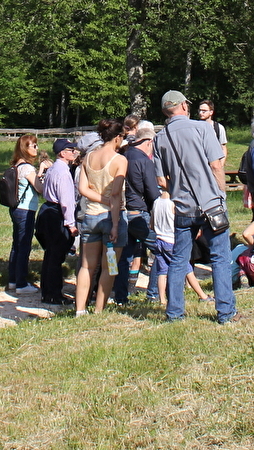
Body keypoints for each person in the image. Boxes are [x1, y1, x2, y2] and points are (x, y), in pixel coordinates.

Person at [155, 90, 239, 324]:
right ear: (183, 106)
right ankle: (225, 312)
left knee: (179, 260)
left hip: (182, 206)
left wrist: (179, 191)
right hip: (210, 203)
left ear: (165, 111)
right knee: (220, 257)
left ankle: (174, 313)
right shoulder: (202, 129)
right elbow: (216, 165)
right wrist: (220, 195)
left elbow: (161, 180)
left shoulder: (160, 138)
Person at [74, 119, 127, 315]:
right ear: (118, 137)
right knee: (109, 266)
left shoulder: (88, 158)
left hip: (90, 216)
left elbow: (82, 188)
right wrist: (114, 223)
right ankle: (99, 309)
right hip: (112, 217)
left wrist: (101, 200)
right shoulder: (119, 160)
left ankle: (80, 309)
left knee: (87, 266)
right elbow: (115, 193)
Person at [114, 120, 161, 305]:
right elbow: (152, 192)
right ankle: (154, 292)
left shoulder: (124, 156)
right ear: (148, 141)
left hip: (123, 212)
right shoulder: (143, 160)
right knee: (162, 250)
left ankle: (120, 296)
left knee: (124, 256)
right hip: (140, 213)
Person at [35, 138, 80, 305]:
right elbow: (67, 201)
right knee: (56, 255)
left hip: (47, 211)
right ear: (62, 153)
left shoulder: (54, 168)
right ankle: (54, 293)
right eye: (70, 150)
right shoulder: (63, 172)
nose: (74, 153)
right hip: (56, 214)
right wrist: (71, 224)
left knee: (50, 255)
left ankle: (48, 291)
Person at [150, 188, 210, 307]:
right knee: (187, 269)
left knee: (162, 271)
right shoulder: (173, 204)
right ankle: (202, 295)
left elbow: (152, 225)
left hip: (159, 241)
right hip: (172, 241)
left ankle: (162, 299)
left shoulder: (156, 202)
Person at [4, 134, 46, 296]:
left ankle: (13, 280)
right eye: (33, 146)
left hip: (16, 208)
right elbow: (40, 189)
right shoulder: (28, 168)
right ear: (24, 149)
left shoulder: (17, 165)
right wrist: (41, 171)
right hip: (25, 210)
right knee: (24, 246)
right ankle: (21, 283)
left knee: (17, 244)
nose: (36, 148)